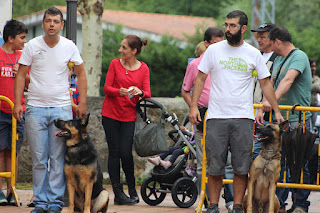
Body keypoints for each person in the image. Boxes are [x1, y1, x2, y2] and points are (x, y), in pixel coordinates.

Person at [189, 10, 284, 213]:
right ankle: (213, 206)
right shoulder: (214, 51)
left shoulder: (252, 53)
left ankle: (238, 207)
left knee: (241, 168)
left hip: (243, 117)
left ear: (242, 28)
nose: (228, 29)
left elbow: (265, 83)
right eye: (226, 25)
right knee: (214, 167)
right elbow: (200, 78)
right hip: (216, 117)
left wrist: (276, 110)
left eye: (232, 26)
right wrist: (193, 106)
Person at [13, 7, 87, 213]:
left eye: (56, 21)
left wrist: (81, 103)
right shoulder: (32, 45)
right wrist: (18, 103)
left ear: (62, 25)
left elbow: (81, 74)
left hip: (61, 109)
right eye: (48, 21)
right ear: (44, 24)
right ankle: (41, 202)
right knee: (38, 158)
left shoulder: (69, 46)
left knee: (57, 157)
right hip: (35, 108)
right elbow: (21, 75)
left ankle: (54, 202)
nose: (52, 24)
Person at [256, 26, 312, 213]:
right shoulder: (279, 58)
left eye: (270, 42)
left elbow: (287, 81)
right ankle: (279, 204)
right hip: (280, 120)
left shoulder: (299, 56)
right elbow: (271, 83)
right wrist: (263, 106)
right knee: (281, 165)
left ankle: (301, 205)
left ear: (277, 42)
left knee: (299, 163)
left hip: (297, 119)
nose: (268, 46)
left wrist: (271, 104)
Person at [181, 27, 236, 212]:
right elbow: (185, 89)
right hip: (204, 114)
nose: (219, 47)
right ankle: (205, 202)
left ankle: (229, 200)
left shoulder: (228, 62)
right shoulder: (195, 65)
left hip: (224, 113)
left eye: (222, 43)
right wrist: (194, 107)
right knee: (202, 161)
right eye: (215, 43)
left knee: (228, 161)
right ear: (206, 44)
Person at [101, 35, 151, 205]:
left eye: (124, 48)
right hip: (110, 114)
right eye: (121, 47)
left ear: (134, 51)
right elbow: (107, 88)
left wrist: (140, 92)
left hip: (128, 115)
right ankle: (118, 193)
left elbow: (148, 92)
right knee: (114, 153)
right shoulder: (115, 64)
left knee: (126, 153)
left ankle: (131, 189)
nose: (120, 50)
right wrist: (119, 92)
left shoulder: (144, 68)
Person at [0, 19, 28, 206]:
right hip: (1, 110)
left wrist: (23, 74)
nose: (24, 42)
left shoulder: (23, 57)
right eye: (22, 38)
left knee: (14, 152)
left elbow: (29, 83)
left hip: (18, 111)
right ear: (11, 38)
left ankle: (12, 190)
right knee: (0, 150)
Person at [250, 22, 277, 159]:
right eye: (257, 37)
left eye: (263, 37)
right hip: (252, 112)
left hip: (268, 116)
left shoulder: (278, 58)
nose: (259, 40)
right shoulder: (256, 55)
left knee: (259, 156)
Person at [309, 58, 320, 128]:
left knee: (312, 126)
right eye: (311, 66)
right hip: (305, 108)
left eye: (314, 66)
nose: (313, 68)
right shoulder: (303, 78)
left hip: (314, 106)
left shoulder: (317, 78)